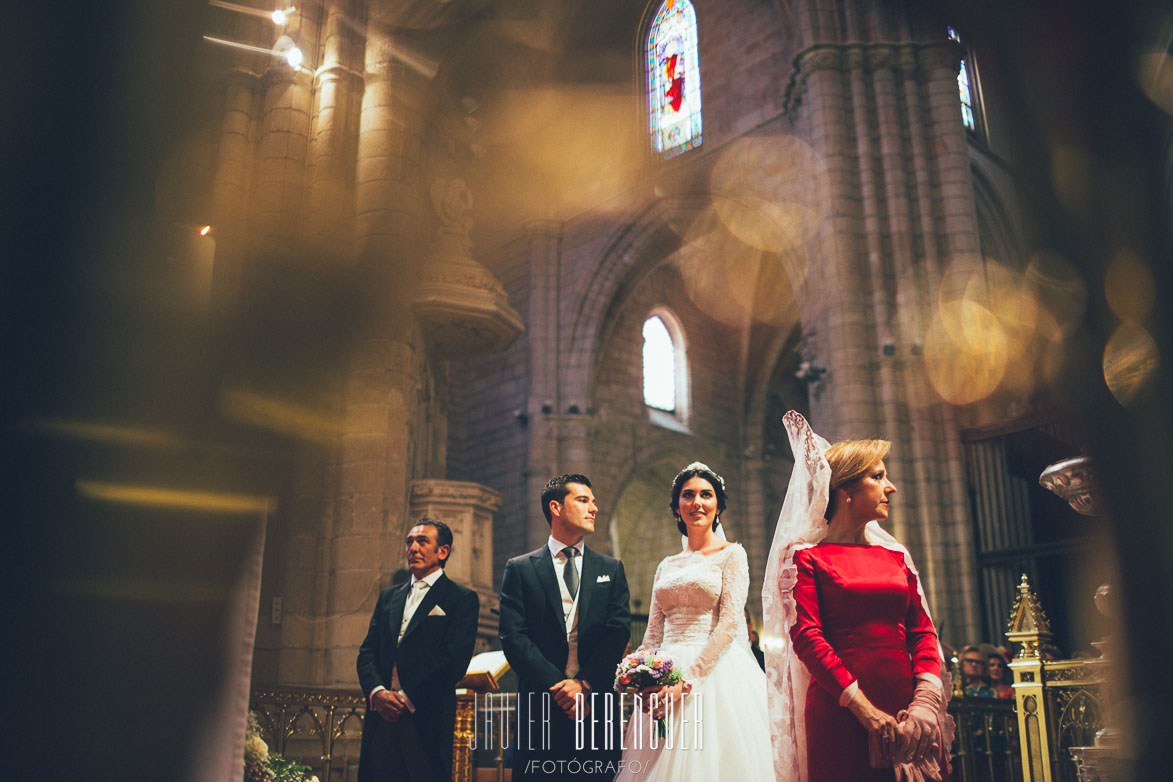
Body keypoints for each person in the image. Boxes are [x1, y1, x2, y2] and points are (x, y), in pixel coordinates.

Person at [764, 411, 953, 782]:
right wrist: (861, 707)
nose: (891, 487)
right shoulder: (805, 557)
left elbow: (923, 632)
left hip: (909, 711)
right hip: (841, 710)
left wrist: (925, 703)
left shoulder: (895, 556)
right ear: (846, 490)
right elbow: (807, 637)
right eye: (878, 476)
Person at [615, 463, 775, 782]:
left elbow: (729, 624)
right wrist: (639, 675)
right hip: (664, 671)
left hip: (714, 672)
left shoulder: (732, 555)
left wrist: (685, 682)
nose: (697, 502)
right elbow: (653, 632)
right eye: (688, 495)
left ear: (718, 506)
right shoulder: (665, 565)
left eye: (706, 495)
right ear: (677, 508)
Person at [499, 474, 631, 781]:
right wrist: (560, 686)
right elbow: (513, 636)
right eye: (583, 500)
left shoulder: (611, 569)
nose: (593, 508)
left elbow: (618, 630)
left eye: (594, 502)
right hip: (541, 704)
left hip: (596, 704)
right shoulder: (520, 568)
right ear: (556, 508)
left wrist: (583, 683)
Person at [356, 519, 480, 782]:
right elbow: (367, 651)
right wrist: (377, 693)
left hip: (426, 714)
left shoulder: (460, 598)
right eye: (409, 541)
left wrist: (405, 697)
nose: (413, 547)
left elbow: (453, 660)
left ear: (443, 551)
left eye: (422, 541)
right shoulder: (389, 597)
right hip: (381, 715)